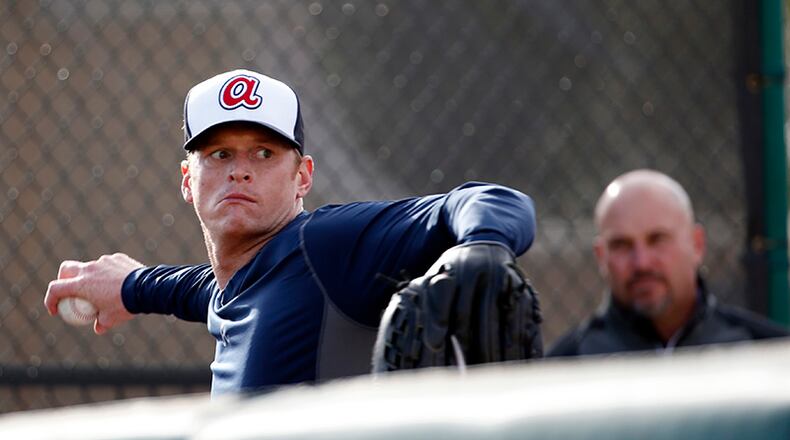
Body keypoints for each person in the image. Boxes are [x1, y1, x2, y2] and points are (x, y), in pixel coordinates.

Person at [44, 69, 538, 394]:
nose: (240, 170)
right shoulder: (231, 283)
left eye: (264, 153)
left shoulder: (328, 246)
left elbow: (492, 200)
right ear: (187, 181)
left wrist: (484, 248)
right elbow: (201, 289)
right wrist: (132, 286)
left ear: (302, 176)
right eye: (219, 154)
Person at [548, 169, 787, 357]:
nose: (641, 262)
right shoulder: (565, 371)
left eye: (657, 240)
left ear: (697, 244)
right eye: (622, 245)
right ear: (601, 256)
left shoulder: (769, 355)